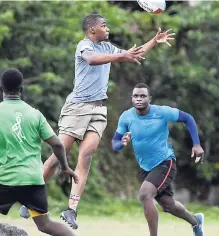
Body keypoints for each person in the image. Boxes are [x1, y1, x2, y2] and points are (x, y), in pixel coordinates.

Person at [20, 13, 175, 229]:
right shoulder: (83, 46)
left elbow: (133, 54)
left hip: (98, 110)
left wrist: (153, 42)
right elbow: (92, 60)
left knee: (86, 155)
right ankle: (30, 196)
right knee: (58, 155)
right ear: (92, 30)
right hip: (77, 109)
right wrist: (121, 57)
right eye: (104, 25)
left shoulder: (109, 48)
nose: (108, 29)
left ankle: (71, 209)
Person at [0, 69, 78, 236]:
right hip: (33, 180)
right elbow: (57, 144)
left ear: (1, 89)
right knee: (45, 224)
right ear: (21, 89)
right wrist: (65, 167)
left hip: (5, 180)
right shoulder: (35, 114)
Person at [112, 83, 205, 236]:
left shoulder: (161, 112)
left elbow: (188, 118)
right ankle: (196, 221)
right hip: (146, 167)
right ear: (132, 99)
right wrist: (121, 144)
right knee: (169, 206)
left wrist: (196, 144)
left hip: (165, 162)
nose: (139, 99)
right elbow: (115, 143)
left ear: (150, 98)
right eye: (136, 96)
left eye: (143, 96)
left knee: (144, 194)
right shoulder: (126, 116)